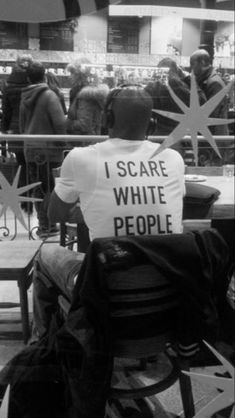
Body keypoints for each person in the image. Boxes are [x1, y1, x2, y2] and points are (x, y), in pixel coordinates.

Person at [31, 85, 186, 340]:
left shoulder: (81, 157)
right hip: (164, 295)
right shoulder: (173, 159)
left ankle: (45, 347)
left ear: (107, 119)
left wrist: (90, 209)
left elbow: (55, 213)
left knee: (45, 255)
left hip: (105, 294)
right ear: (153, 123)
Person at [19, 60, 66, 238]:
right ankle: (50, 225)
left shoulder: (25, 96)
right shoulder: (50, 96)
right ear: (44, 75)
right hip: (49, 150)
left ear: (28, 77)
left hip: (31, 148)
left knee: (38, 188)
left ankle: (43, 225)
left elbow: (22, 126)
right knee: (50, 188)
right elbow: (60, 123)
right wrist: (62, 142)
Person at [145, 57, 206, 136]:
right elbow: (202, 101)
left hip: (159, 133)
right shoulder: (179, 85)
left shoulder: (153, 86)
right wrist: (188, 78)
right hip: (181, 134)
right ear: (177, 70)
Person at [1, 54, 33, 203]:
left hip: (15, 129)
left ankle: (22, 193)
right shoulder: (33, 81)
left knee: (20, 162)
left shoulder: (9, 84)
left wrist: (4, 130)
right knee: (33, 161)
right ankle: (33, 192)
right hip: (31, 127)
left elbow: (6, 112)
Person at [190, 49, 229, 135]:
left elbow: (209, 114)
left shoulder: (214, 83)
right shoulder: (205, 79)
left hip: (214, 139)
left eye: (192, 63)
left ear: (203, 62)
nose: (191, 67)